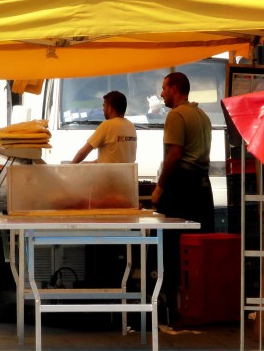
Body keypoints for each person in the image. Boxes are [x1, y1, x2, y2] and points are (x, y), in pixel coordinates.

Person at [151, 72, 215, 325]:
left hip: (182, 185)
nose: (161, 93)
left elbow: (175, 154)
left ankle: (173, 311)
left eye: (164, 88)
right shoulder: (202, 115)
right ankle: (198, 306)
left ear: (175, 89)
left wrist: (160, 187)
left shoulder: (176, 115)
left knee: (173, 247)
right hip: (202, 186)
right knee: (196, 248)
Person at [71, 90, 137, 164]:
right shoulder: (131, 126)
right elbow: (116, 157)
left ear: (110, 108)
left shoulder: (107, 125)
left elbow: (83, 153)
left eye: (104, 105)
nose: (103, 109)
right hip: (126, 174)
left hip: (109, 175)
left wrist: (70, 166)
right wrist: (91, 163)